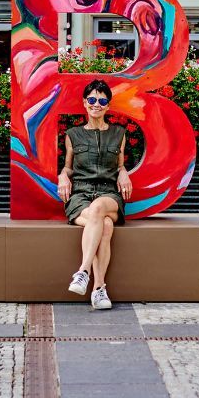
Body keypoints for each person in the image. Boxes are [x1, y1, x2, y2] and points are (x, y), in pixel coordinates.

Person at [59, 79, 131, 310]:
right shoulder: (73, 134)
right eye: (92, 100)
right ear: (84, 103)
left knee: (99, 209)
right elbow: (69, 167)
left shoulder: (119, 134)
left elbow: (120, 165)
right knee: (105, 227)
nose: (96, 104)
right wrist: (62, 175)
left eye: (102, 101)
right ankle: (99, 290)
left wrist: (123, 172)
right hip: (80, 195)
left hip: (108, 194)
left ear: (108, 106)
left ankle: (83, 272)